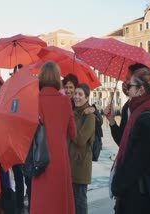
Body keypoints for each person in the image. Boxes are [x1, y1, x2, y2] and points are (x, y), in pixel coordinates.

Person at [111, 67, 150, 213]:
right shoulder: (149, 111)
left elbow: (135, 162)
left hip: (138, 197)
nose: (128, 90)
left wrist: (117, 185)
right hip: (142, 195)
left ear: (141, 90)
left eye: (131, 87)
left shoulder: (145, 119)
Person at [30, 61, 77, 214]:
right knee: (59, 201)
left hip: (40, 157)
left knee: (42, 200)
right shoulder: (65, 101)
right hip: (60, 159)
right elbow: (73, 134)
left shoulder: (34, 99)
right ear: (58, 78)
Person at [104, 63, 149, 146]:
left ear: (140, 88)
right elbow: (121, 141)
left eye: (128, 80)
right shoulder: (127, 107)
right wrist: (112, 120)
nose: (125, 83)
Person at [68, 83, 95, 214]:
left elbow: (80, 140)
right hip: (69, 164)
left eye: (80, 94)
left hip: (80, 165)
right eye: (76, 93)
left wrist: (70, 121)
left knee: (80, 202)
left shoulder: (89, 116)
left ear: (87, 97)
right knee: (71, 202)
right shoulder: (73, 112)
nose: (76, 97)